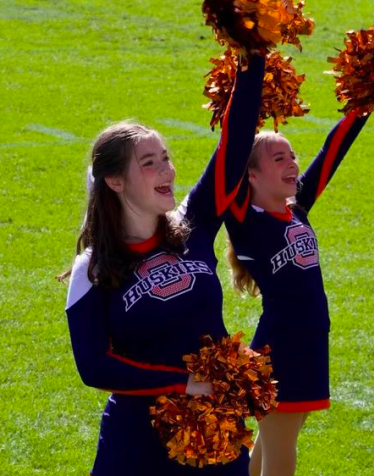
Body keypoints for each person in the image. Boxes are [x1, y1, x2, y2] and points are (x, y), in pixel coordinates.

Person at [63, 54, 265, 476]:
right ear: (115, 182)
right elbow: (94, 365)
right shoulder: (93, 268)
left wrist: (252, 51)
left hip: (217, 432)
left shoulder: (194, 224)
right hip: (137, 445)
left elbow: (235, 141)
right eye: (149, 163)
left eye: (166, 158)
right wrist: (182, 383)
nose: (167, 170)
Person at [224, 110, 369, 476]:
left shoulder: (297, 210)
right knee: (280, 444)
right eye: (279, 158)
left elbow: (331, 153)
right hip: (282, 348)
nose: (292, 163)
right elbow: (228, 158)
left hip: (310, 342)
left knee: (274, 439)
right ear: (252, 175)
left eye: (292, 157)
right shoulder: (246, 221)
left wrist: (362, 106)